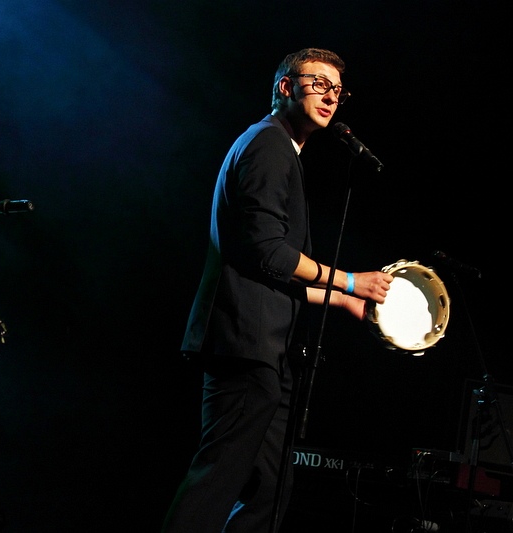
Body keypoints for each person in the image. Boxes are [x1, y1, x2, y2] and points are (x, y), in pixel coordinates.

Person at [161, 48, 394, 532]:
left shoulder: (280, 150)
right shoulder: (268, 145)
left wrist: (345, 299)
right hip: (246, 346)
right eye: (319, 84)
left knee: (268, 488)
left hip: (266, 348)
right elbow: (270, 253)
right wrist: (350, 279)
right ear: (286, 87)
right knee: (218, 479)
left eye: (338, 90)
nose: (331, 96)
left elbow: (268, 275)